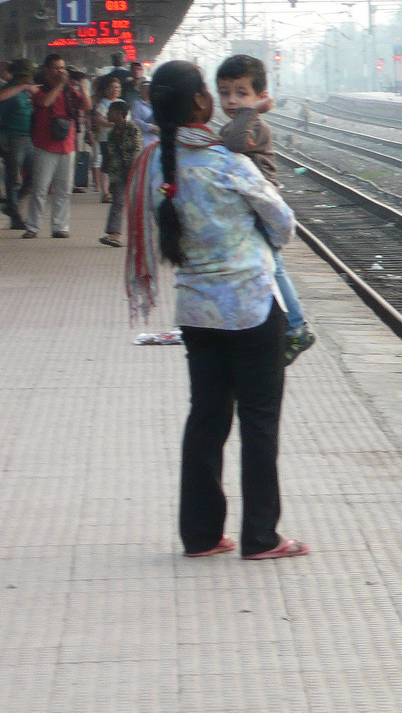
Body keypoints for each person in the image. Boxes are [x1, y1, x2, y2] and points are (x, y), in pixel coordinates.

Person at [127, 60, 307, 560]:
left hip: (196, 310)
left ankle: (202, 535)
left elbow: (153, 225)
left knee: (206, 417)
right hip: (250, 304)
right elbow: (282, 222)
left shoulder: (150, 164)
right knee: (258, 420)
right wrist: (254, 244)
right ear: (201, 104)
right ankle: (261, 537)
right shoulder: (226, 159)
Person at [215, 55, 314, 360]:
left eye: (242, 93)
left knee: (274, 267)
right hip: (253, 207)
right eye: (224, 93)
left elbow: (233, 145)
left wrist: (251, 111)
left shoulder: (253, 125)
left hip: (261, 208)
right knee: (270, 267)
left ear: (261, 96)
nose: (232, 101)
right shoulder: (240, 123)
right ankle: (288, 326)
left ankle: (296, 327)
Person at [22, 55, 87, 238]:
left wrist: (81, 86)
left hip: (67, 146)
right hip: (45, 146)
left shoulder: (69, 90)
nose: (61, 71)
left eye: (62, 68)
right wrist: (59, 84)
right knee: (40, 189)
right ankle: (33, 227)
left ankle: (60, 226)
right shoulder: (40, 89)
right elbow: (44, 102)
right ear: (47, 70)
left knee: (64, 189)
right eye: (57, 68)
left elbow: (86, 105)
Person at [98, 100, 138, 248]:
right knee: (118, 202)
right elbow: (110, 157)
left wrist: (132, 170)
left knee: (137, 205)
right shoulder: (111, 134)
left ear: (120, 114)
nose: (107, 114)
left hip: (133, 172)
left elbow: (136, 150)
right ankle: (115, 235)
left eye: (111, 111)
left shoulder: (132, 129)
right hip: (119, 174)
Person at [0, 59, 33, 229]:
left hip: (28, 137)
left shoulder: (27, 89)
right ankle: (15, 216)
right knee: (13, 179)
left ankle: (12, 204)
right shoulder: (9, 90)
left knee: (34, 175)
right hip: (13, 137)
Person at [91, 73, 122, 202]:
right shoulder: (103, 103)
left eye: (116, 87)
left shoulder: (122, 103)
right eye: (112, 87)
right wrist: (113, 124)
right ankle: (105, 192)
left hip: (120, 139)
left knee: (117, 165)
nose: (114, 90)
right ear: (106, 89)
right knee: (106, 165)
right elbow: (99, 119)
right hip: (105, 138)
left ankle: (115, 190)